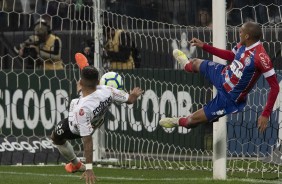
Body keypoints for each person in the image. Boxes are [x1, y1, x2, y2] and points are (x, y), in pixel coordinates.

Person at [159, 21, 279, 133]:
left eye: (241, 32)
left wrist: (266, 113)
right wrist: (204, 46)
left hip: (229, 98)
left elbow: (275, 87)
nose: (239, 33)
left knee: (192, 120)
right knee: (195, 62)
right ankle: (186, 65)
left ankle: (177, 121)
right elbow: (230, 55)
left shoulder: (261, 57)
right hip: (223, 74)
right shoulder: (243, 44)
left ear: (247, 36)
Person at [51, 66, 143, 183]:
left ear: (81, 81)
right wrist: (134, 94)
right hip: (96, 120)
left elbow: (87, 140)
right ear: (99, 81)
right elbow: (130, 100)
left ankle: (76, 164)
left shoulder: (82, 109)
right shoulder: (108, 90)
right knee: (83, 96)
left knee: (55, 138)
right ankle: (76, 164)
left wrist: (89, 168)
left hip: (74, 127)